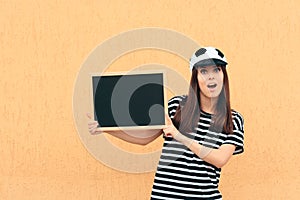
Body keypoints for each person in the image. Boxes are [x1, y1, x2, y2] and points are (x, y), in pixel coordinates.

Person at [87, 47, 245, 200]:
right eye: (204, 71)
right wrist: (106, 128)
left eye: (216, 70)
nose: (211, 76)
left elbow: (220, 159)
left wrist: (179, 136)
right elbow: (144, 138)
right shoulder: (177, 106)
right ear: (195, 78)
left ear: (223, 75)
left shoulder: (233, 119)